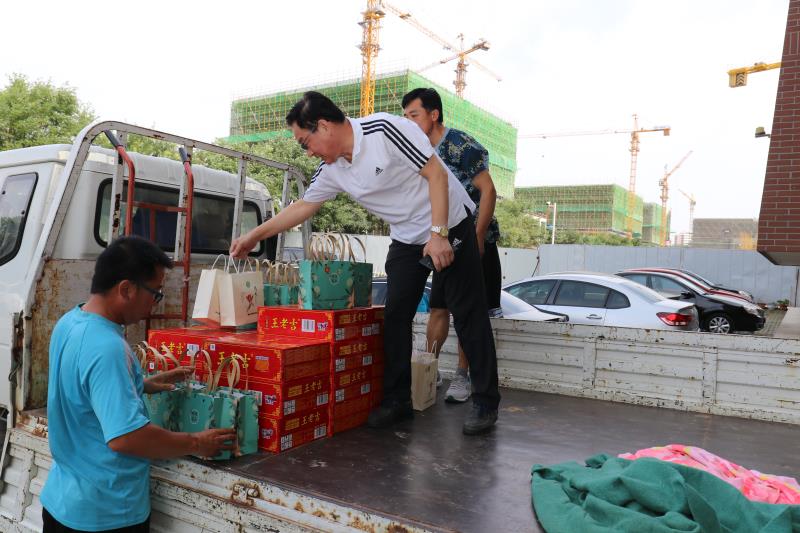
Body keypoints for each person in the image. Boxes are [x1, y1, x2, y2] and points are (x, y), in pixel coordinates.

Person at [230, 91, 500, 435]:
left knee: (468, 313)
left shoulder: (384, 131)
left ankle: (485, 402)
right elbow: (304, 206)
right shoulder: (331, 169)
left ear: (323, 126)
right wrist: (254, 236)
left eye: (305, 143)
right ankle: (398, 400)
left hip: (448, 223)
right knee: (396, 315)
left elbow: (437, 175)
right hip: (406, 237)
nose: (308, 152)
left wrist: (439, 234)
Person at [40, 236, 235, 533]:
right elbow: (127, 438)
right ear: (126, 289)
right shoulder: (107, 347)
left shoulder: (70, 323)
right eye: (155, 293)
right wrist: (197, 442)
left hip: (63, 503)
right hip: (106, 514)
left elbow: (82, 388)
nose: (154, 303)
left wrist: (140, 383)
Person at [402, 88, 502, 404]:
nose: (408, 122)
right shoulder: (415, 149)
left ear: (434, 115)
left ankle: (462, 376)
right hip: (443, 239)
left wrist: (477, 237)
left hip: (473, 237)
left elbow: (488, 191)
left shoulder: (460, 145)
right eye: (404, 116)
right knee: (438, 307)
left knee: (468, 312)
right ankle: (429, 368)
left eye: (414, 115)